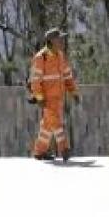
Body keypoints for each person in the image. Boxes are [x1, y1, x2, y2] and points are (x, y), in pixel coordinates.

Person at [29, 28, 79, 162]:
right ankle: (64, 148)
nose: (62, 41)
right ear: (51, 41)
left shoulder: (61, 55)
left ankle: (39, 151)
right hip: (47, 100)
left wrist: (73, 92)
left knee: (47, 126)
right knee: (57, 123)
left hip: (58, 98)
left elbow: (67, 76)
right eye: (59, 38)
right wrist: (39, 98)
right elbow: (35, 81)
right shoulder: (41, 57)